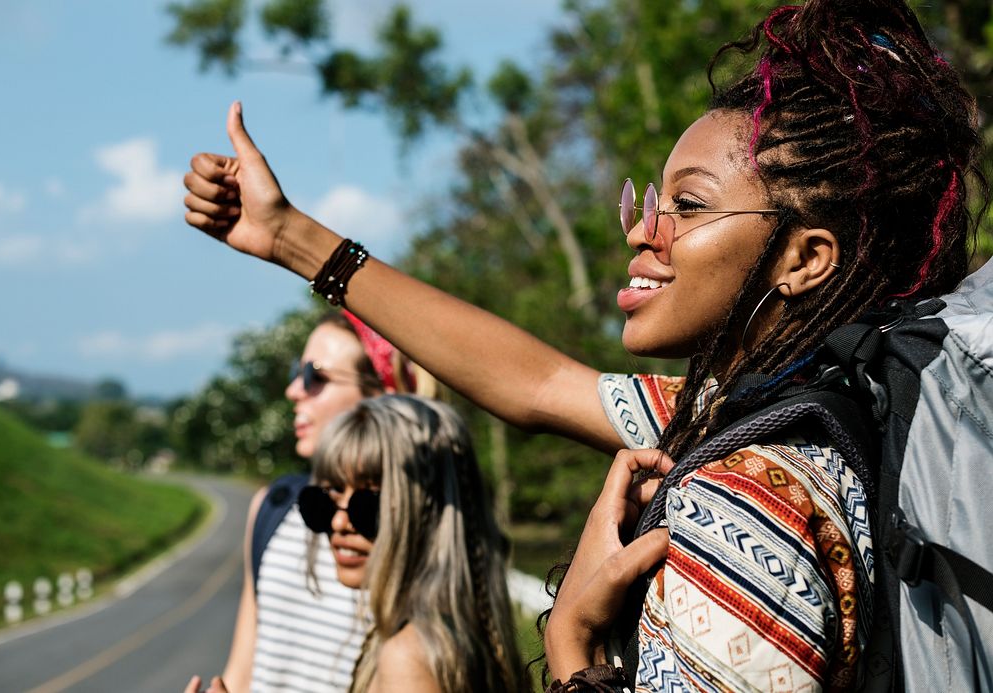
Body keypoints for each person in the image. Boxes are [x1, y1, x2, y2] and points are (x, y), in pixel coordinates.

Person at [181, 0, 988, 687]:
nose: (644, 230)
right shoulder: (779, 421)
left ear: (805, 259)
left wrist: (572, 645)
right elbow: (534, 384)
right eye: (652, 198)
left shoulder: (748, 499)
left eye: (690, 206)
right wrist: (290, 237)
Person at [187, 311, 432, 693]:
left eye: (315, 376)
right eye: (296, 374)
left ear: (385, 394)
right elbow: (243, 671)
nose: (294, 391)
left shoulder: (423, 523)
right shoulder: (274, 506)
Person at [299, 394, 525, 692]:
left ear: (428, 515)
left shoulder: (408, 656)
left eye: (369, 504)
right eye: (329, 497)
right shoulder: (448, 637)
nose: (339, 523)